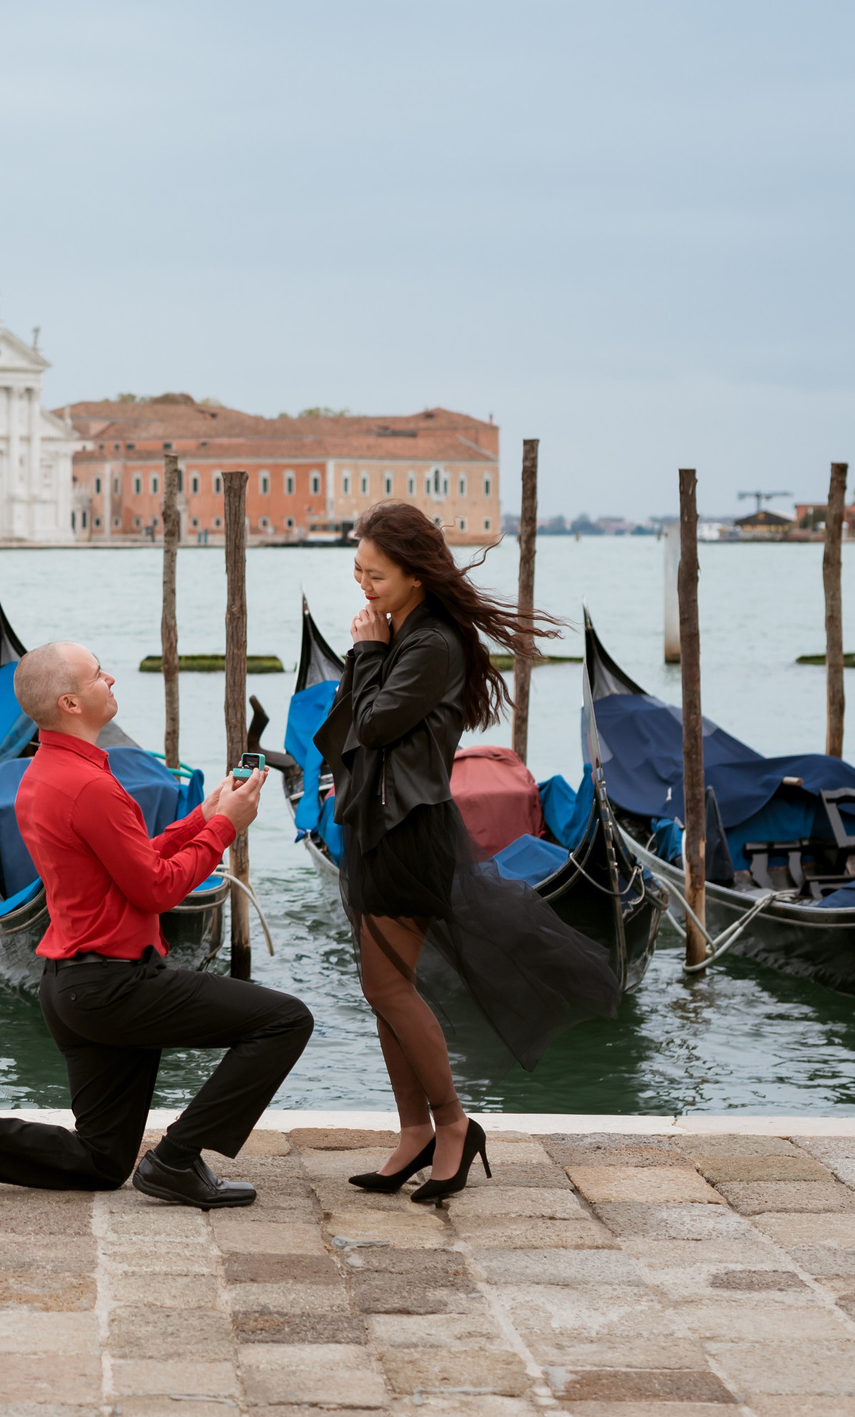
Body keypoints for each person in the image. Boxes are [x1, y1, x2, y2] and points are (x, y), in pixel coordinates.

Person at [0, 641, 312, 1209]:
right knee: (285, 1020)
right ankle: (177, 1159)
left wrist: (203, 815)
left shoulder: (47, 773)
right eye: (97, 675)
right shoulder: (90, 785)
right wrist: (225, 830)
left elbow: (133, 861)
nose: (110, 678)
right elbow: (156, 888)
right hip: (115, 988)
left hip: (72, 987)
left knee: (101, 1161)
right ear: (69, 703)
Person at [320, 501, 619, 1204]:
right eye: (358, 571)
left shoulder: (431, 644)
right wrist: (371, 651)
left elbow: (374, 723)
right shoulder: (400, 631)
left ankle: (452, 1124)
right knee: (380, 991)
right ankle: (413, 1132)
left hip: (408, 831)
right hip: (376, 825)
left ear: (417, 576)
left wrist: (367, 651)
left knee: (391, 988)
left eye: (376, 575)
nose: (363, 585)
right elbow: (346, 729)